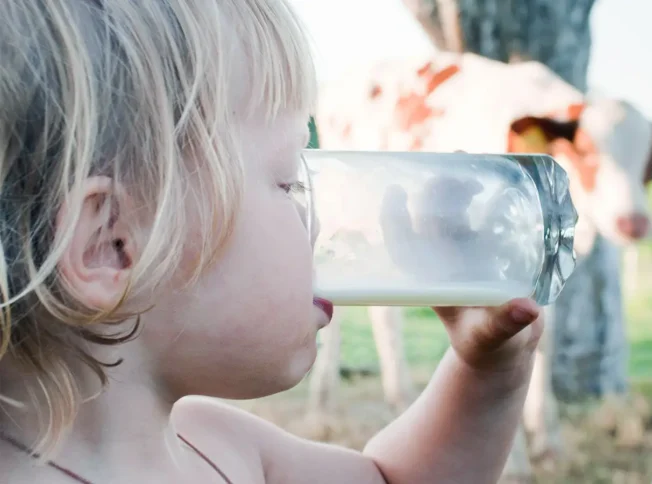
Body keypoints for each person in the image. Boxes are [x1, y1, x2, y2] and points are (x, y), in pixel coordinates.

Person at [0, 1, 544, 483]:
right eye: (287, 181)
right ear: (109, 244)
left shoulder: (218, 445)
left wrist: (486, 370)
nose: (316, 217)